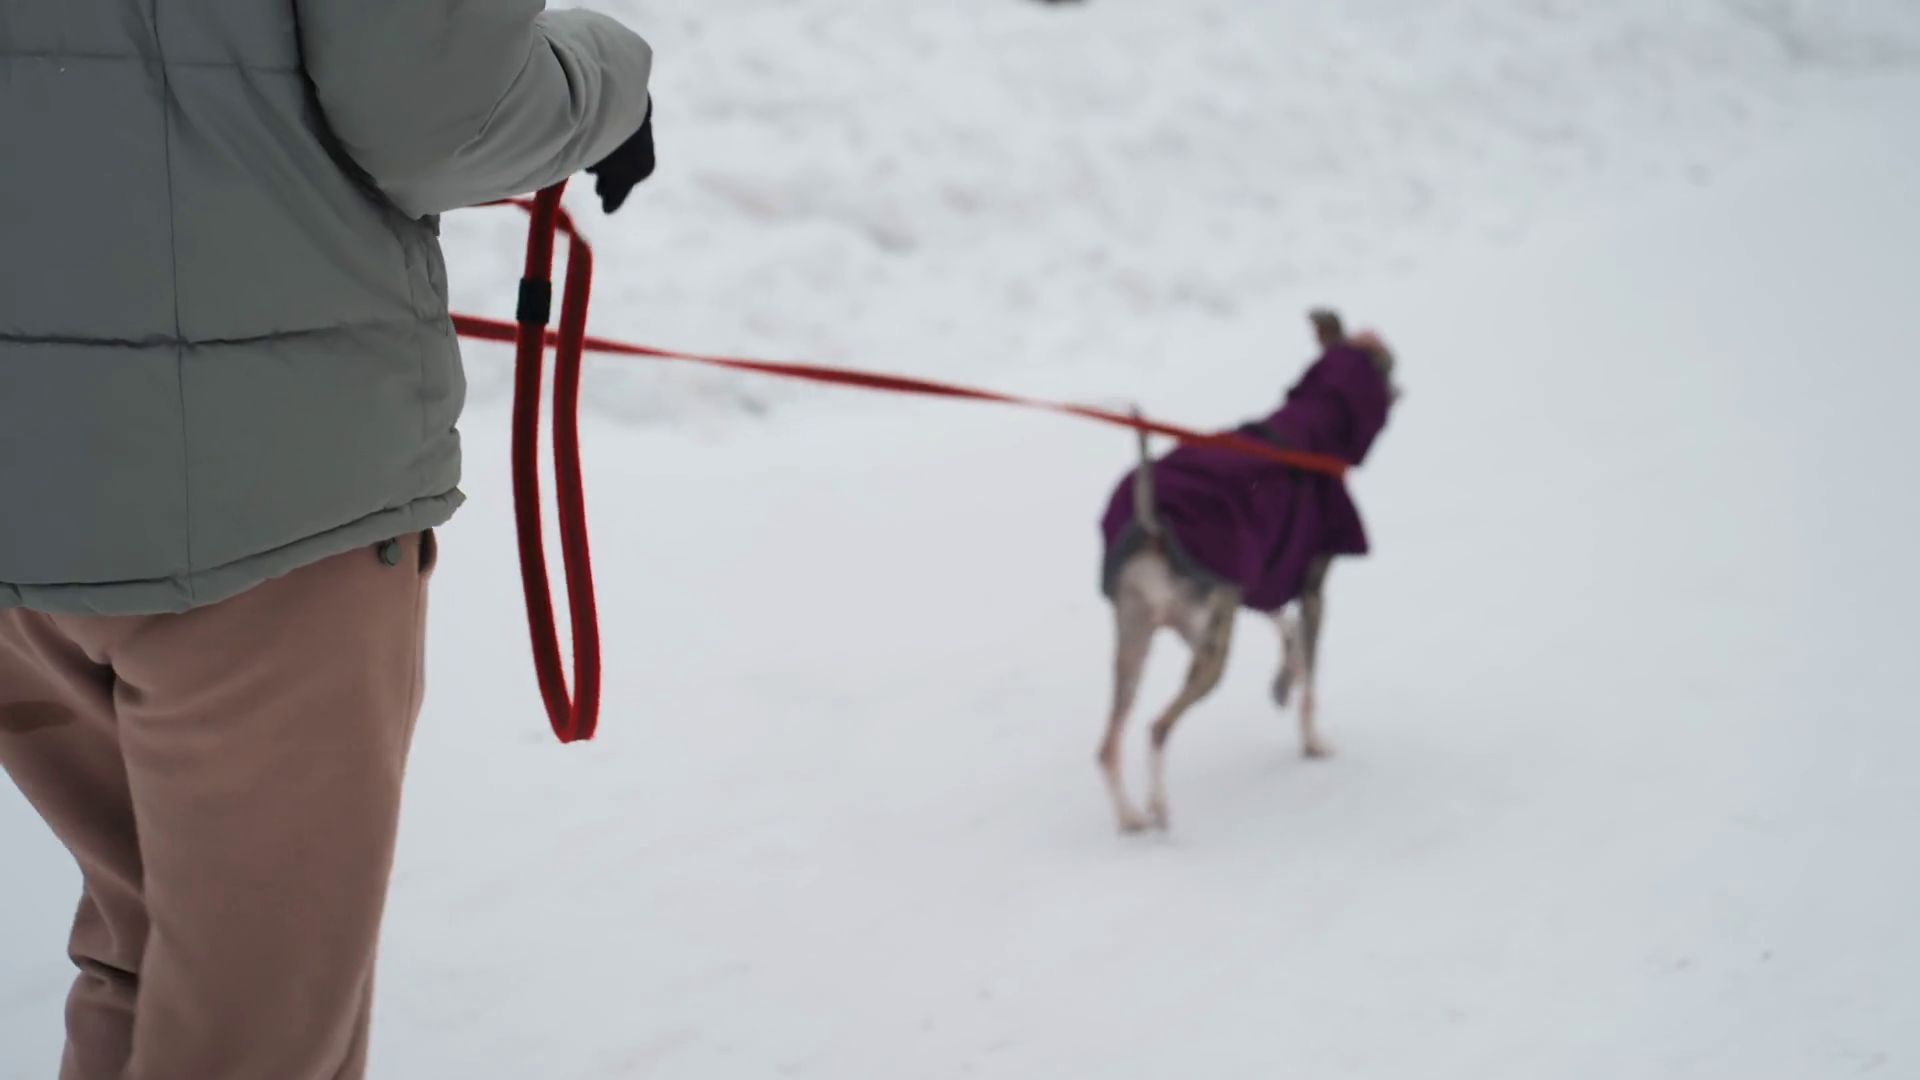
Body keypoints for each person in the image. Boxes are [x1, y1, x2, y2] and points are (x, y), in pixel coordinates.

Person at [0, 2, 656, 1077]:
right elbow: (442, 114)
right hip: (260, 519)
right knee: (252, 1029)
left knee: (147, 951)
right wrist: (611, 80)